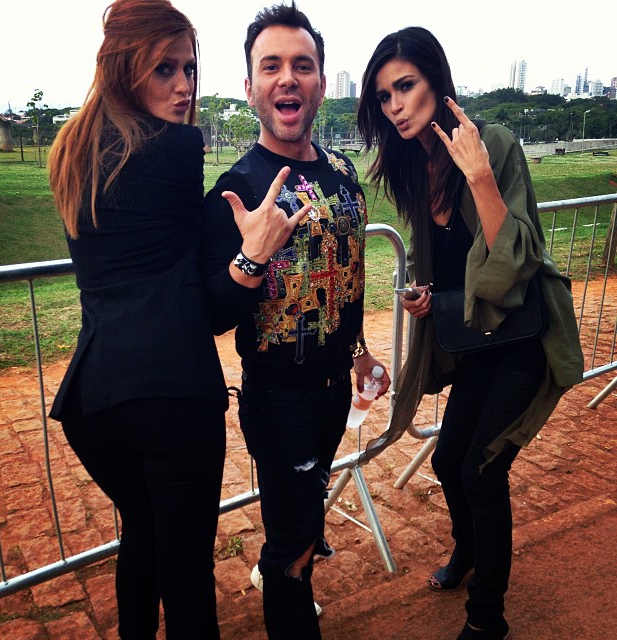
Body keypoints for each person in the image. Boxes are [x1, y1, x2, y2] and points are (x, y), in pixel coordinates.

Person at [47, 0, 308, 637]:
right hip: (171, 397)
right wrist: (252, 254)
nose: (184, 86)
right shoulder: (175, 148)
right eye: (163, 69)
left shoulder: (73, 149)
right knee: (187, 577)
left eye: (188, 68)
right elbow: (201, 300)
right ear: (124, 69)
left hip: (94, 401)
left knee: (141, 540)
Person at [357, 27, 583, 640]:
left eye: (405, 86)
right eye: (383, 96)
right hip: (476, 340)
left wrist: (480, 177)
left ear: (437, 81)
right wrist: (428, 294)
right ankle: (468, 550)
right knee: (449, 458)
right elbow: (447, 262)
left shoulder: (495, 145)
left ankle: (487, 617)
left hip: (523, 340)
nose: (395, 105)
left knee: (482, 469)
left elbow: (512, 264)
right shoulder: (412, 166)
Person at [201, 3, 390, 638]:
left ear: (320, 82)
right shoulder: (235, 191)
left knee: (302, 518)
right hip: (279, 399)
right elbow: (214, 314)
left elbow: (348, 277)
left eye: (302, 65)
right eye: (271, 66)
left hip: (336, 392)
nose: (288, 77)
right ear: (249, 85)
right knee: (296, 547)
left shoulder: (343, 174)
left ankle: (283, 564)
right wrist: (251, 256)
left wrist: (360, 352)